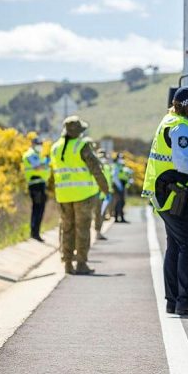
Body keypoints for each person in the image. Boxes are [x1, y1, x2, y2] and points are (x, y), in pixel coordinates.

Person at [142, 86, 188, 316]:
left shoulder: (170, 121)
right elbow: (184, 164)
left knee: (176, 244)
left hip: (166, 191)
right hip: (174, 193)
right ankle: (186, 300)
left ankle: (174, 300)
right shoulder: (182, 127)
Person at [49, 116, 110, 275]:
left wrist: (51, 192)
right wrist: (105, 189)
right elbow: (95, 169)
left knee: (66, 229)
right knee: (82, 229)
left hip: (63, 196)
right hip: (82, 196)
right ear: (78, 131)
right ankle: (81, 264)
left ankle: (68, 263)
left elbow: (52, 174)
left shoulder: (55, 148)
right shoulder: (82, 145)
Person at [22, 137, 51, 242]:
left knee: (39, 208)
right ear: (33, 144)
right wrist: (46, 162)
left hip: (39, 184)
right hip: (36, 185)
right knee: (38, 209)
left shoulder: (37, 155)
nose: (40, 146)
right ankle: (34, 233)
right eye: (38, 144)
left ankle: (35, 232)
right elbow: (37, 167)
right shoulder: (30, 154)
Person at [91, 148, 112, 240]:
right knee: (98, 214)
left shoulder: (104, 166)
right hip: (99, 193)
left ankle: (98, 232)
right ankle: (97, 233)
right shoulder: (101, 166)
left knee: (100, 214)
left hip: (102, 194)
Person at [112, 153, 130, 223]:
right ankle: (119, 218)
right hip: (117, 186)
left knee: (120, 202)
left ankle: (118, 218)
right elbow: (115, 177)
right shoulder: (116, 166)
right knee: (119, 202)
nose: (121, 159)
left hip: (121, 185)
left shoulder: (120, 166)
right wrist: (119, 186)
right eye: (120, 158)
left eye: (122, 158)